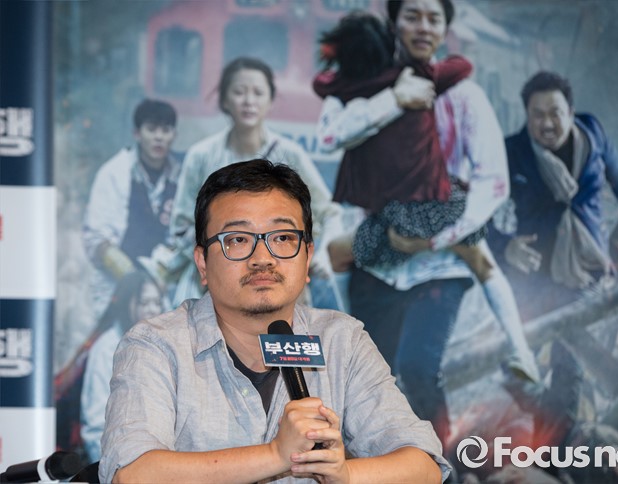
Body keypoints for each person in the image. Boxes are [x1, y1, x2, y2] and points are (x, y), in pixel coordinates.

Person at [99, 159, 449, 483]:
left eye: (282, 238)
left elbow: (425, 467)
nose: (262, 258)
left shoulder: (341, 340)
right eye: (238, 240)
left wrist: (344, 474)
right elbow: (132, 475)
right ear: (203, 263)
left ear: (307, 257)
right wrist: (276, 455)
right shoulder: (156, 344)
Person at [315, 0, 539, 445]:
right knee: (362, 378)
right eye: (412, 16)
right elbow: (329, 136)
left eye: (433, 18)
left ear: (445, 29)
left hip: (441, 261)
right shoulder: (368, 84)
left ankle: (441, 465)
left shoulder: (464, 96)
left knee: (418, 368)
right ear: (393, 23)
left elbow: (493, 182)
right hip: (379, 255)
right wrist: (393, 99)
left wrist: (438, 238)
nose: (423, 27)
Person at [165, 56, 342, 308]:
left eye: (258, 93)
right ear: (224, 100)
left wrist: (320, 253)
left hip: (280, 286)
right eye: (239, 92)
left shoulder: (290, 154)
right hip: (215, 291)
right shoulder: (201, 156)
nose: (249, 101)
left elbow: (330, 213)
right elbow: (181, 227)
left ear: (270, 101)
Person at [488, 71, 618, 319]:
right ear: (527, 116)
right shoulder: (511, 153)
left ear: (570, 113)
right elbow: (474, 215)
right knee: (530, 342)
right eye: (538, 115)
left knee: (582, 339)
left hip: (592, 266)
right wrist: (505, 247)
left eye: (555, 113)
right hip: (534, 278)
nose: (547, 124)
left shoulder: (592, 133)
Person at [313, 11, 477, 268]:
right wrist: (395, 97)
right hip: (420, 203)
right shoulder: (413, 78)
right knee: (472, 238)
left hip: (379, 205)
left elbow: (320, 83)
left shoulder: (341, 88)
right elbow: (462, 66)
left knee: (346, 256)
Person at [82, 98, 180, 318]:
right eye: (151, 129)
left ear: (174, 135)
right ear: (137, 133)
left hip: (162, 290)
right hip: (114, 286)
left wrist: (157, 280)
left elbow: (184, 235)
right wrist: (133, 280)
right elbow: (96, 238)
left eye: (165, 130)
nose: (159, 137)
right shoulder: (114, 172)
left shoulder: (181, 175)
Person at [80, 269, 164, 462]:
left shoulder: (164, 345)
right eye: (144, 303)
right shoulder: (106, 348)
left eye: (157, 302)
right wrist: (115, 469)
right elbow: (95, 426)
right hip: (118, 464)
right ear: (127, 304)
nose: (153, 310)